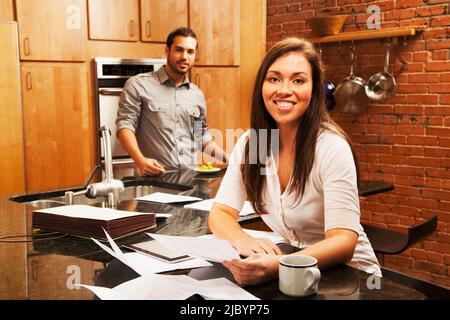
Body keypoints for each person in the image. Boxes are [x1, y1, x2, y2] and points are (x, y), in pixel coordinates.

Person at [208, 37, 381, 286]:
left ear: (314, 90)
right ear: (262, 86)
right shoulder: (255, 143)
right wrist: (244, 240)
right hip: (292, 270)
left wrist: (280, 265)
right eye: (274, 78)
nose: (284, 89)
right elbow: (221, 213)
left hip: (350, 277)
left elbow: (343, 241)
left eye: (298, 80)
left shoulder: (330, 147)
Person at [116, 27, 228, 176]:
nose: (184, 57)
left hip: (191, 181)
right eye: (179, 50)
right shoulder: (138, 85)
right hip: (154, 179)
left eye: (190, 52)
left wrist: (231, 160)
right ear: (167, 51)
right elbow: (125, 125)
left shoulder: (196, 94)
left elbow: (201, 137)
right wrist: (139, 159)